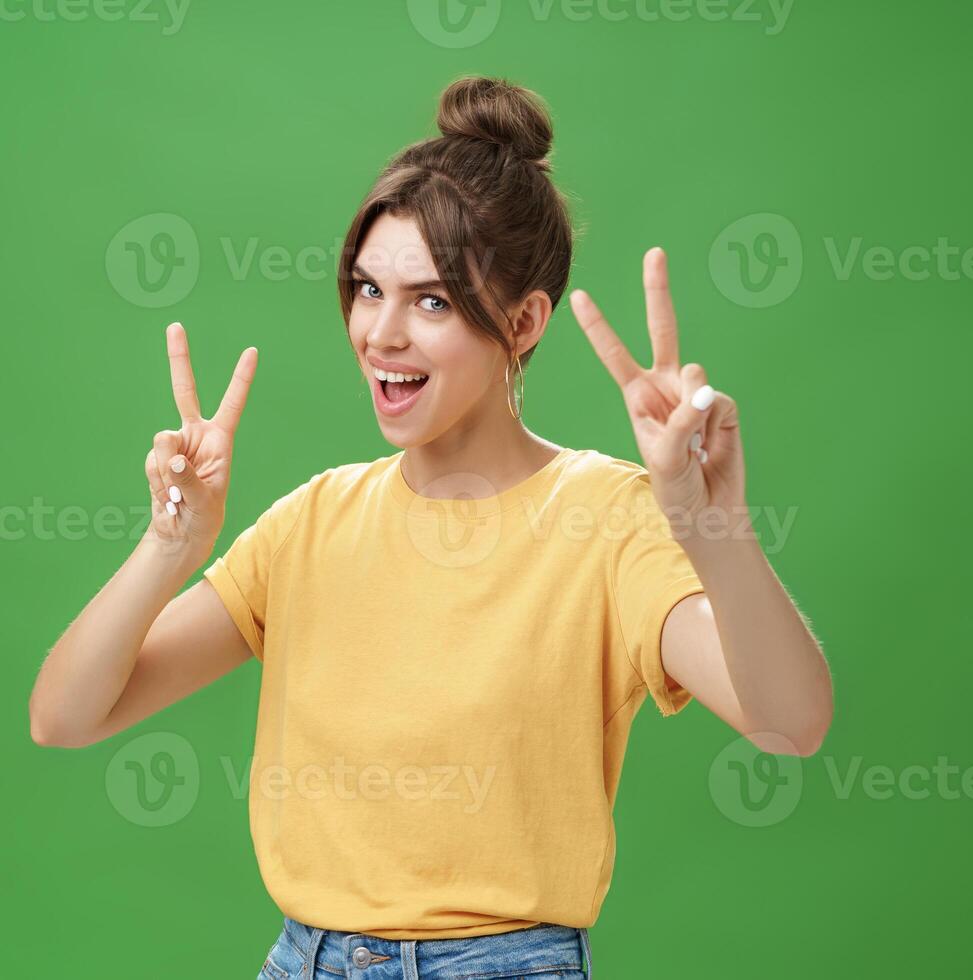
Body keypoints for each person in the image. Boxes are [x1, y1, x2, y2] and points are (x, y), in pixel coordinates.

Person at [27, 76, 833, 978]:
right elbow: (65, 715)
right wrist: (169, 546)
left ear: (525, 323)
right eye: (368, 290)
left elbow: (789, 724)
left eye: (433, 301)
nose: (382, 333)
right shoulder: (314, 522)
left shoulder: (608, 520)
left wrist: (715, 530)